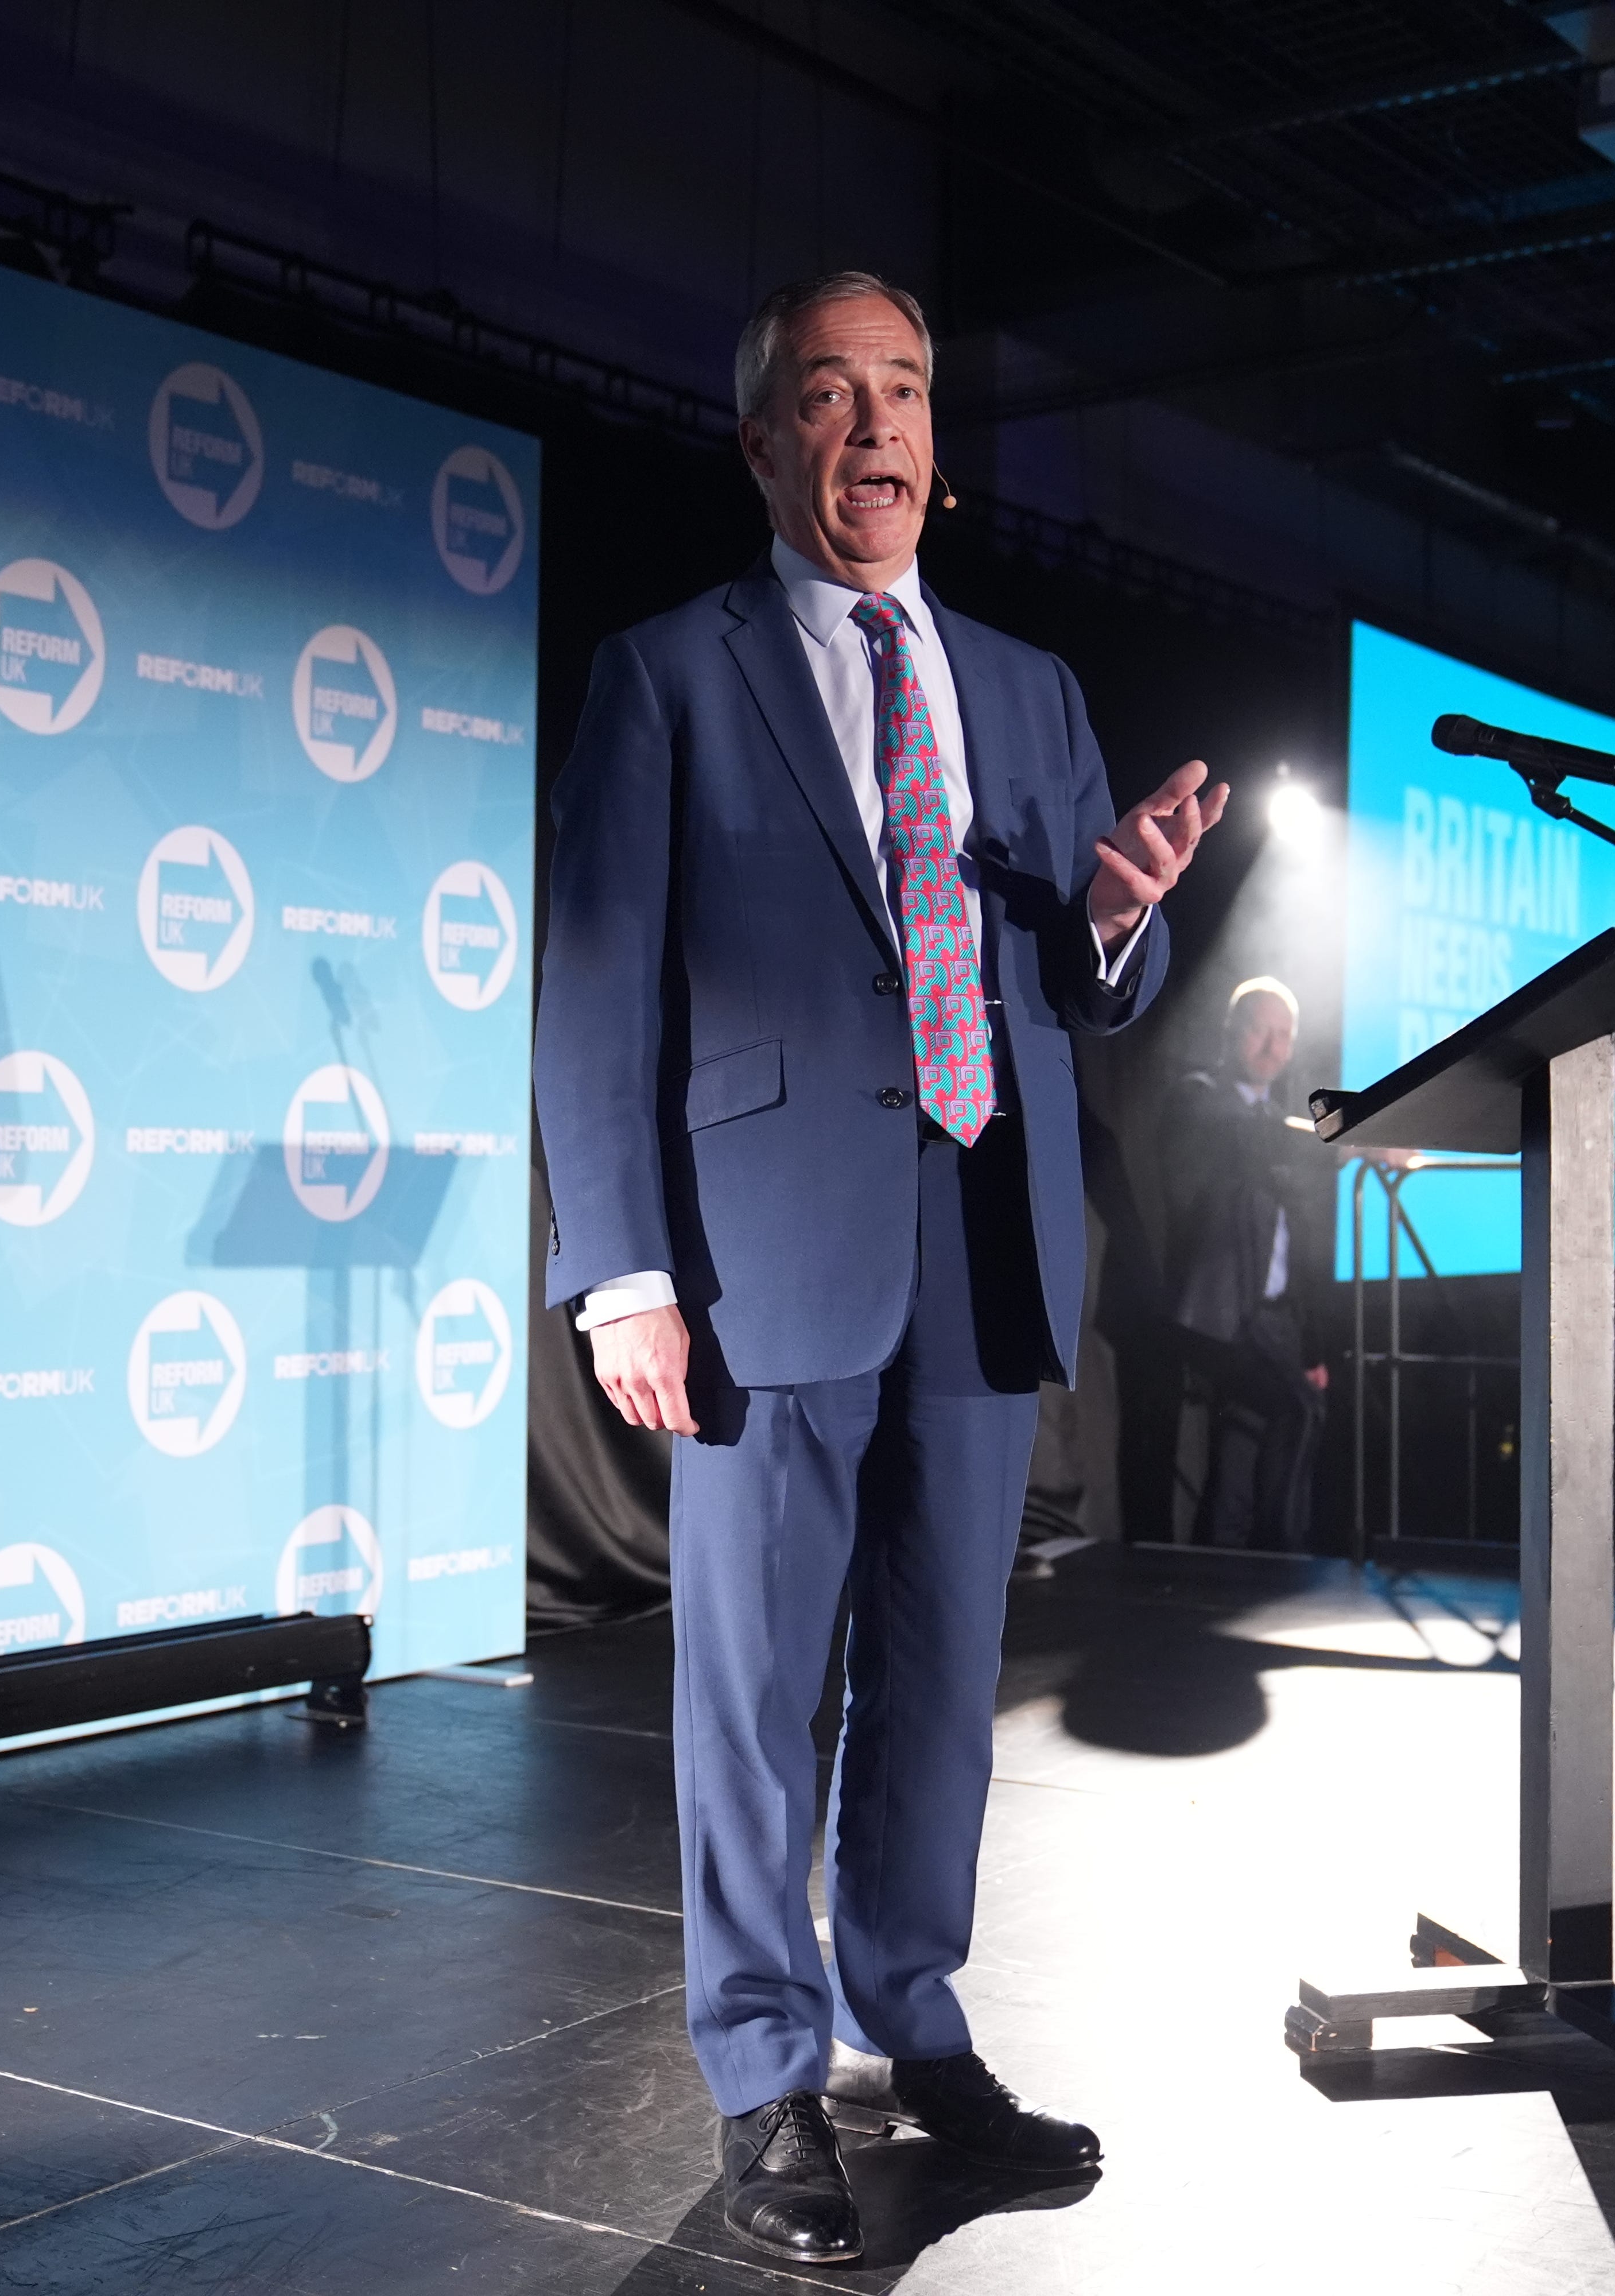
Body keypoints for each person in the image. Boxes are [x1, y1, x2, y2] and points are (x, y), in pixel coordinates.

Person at [533, 269, 1223, 2264]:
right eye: (831, 396)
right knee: (757, 1690)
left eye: (904, 391)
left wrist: (1115, 919)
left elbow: (1092, 976)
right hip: (761, 1253)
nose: (876, 429)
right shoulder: (670, 671)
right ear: (766, 445)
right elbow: (595, 980)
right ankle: (763, 2073)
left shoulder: (1027, 687)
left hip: (981, 1236)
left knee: (938, 1686)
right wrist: (624, 1270)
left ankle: (911, 2021)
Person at [1159, 976, 1332, 1550]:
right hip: (1217, 1314)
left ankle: (1224, 1563)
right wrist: (1353, 1141)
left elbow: (1297, 1250)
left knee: (1244, 1438)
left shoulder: (1279, 1123)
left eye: (1285, 1035)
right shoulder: (1199, 1099)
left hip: (1275, 1319)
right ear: (1233, 1031)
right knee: (1298, 1411)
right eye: (1262, 1030)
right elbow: (1250, 1136)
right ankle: (1285, 1553)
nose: (1273, 1047)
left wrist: (1311, 1349)